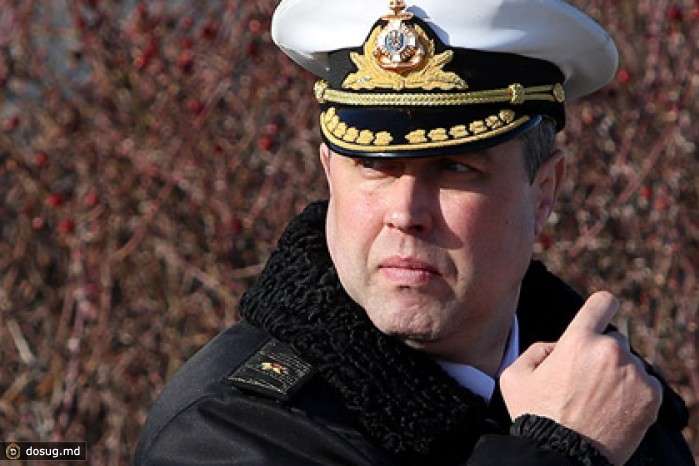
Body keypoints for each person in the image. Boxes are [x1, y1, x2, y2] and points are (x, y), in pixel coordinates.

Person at [135, 1, 695, 464]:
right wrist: (557, 453)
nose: (405, 213)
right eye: (374, 166)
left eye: (455, 168)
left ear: (543, 191)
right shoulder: (229, 431)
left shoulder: (613, 399)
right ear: (330, 173)